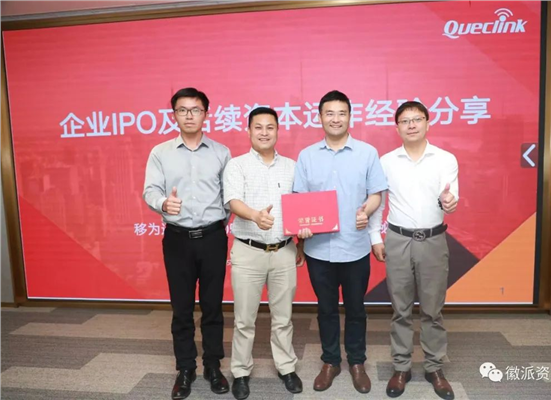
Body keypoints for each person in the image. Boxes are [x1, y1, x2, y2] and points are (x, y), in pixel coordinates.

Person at [293, 90, 387, 394]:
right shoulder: (307, 156)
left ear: (350, 117)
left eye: (341, 113)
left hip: (355, 246)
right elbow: (299, 200)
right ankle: (331, 361)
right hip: (319, 249)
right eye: (329, 113)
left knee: (356, 309)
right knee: (326, 309)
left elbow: (376, 193)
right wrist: (301, 229)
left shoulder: (367, 153)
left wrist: (366, 211)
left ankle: (357, 362)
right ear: (320, 117)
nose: (336, 119)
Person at [143, 87, 231, 400]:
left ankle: (213, 365)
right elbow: (150, 190)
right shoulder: (160, 152)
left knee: (212, 306)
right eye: (183, 110)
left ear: (206, 114)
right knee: (181, 308)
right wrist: (163, 204)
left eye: (195, 110)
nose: (189, 115)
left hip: (213, 238)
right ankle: (185, 368)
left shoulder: (221, 152)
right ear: (174, 115)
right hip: (178, 239)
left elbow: (230, 197)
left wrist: (218, 222)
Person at [369, 101, 458, 400]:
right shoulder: (386, 161)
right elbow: (378, 203)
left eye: (417, 119)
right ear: (397, 128)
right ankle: (401, 367)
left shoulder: (445, 159)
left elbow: (451, 197)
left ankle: (434, 367)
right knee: (400, 308)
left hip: (433, 240)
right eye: (405, 121)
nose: (411, 125)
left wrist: (449, 202)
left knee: (433, 309)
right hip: (398, 240)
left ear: (427, 123)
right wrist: (375, 238)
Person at [223, 107, 304, 400]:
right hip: (249, 250)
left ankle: (286, 367)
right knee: (244, 318)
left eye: (270, 127)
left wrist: (301, 243)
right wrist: (255, 215)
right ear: (248, 131)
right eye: (258, 127)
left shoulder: (293, 167)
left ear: (278, 131)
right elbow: (233, 201)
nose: (264, 132)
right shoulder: (237, 165)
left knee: (283, 316)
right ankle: (241, 372)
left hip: (284, 250)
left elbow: (301, 207)